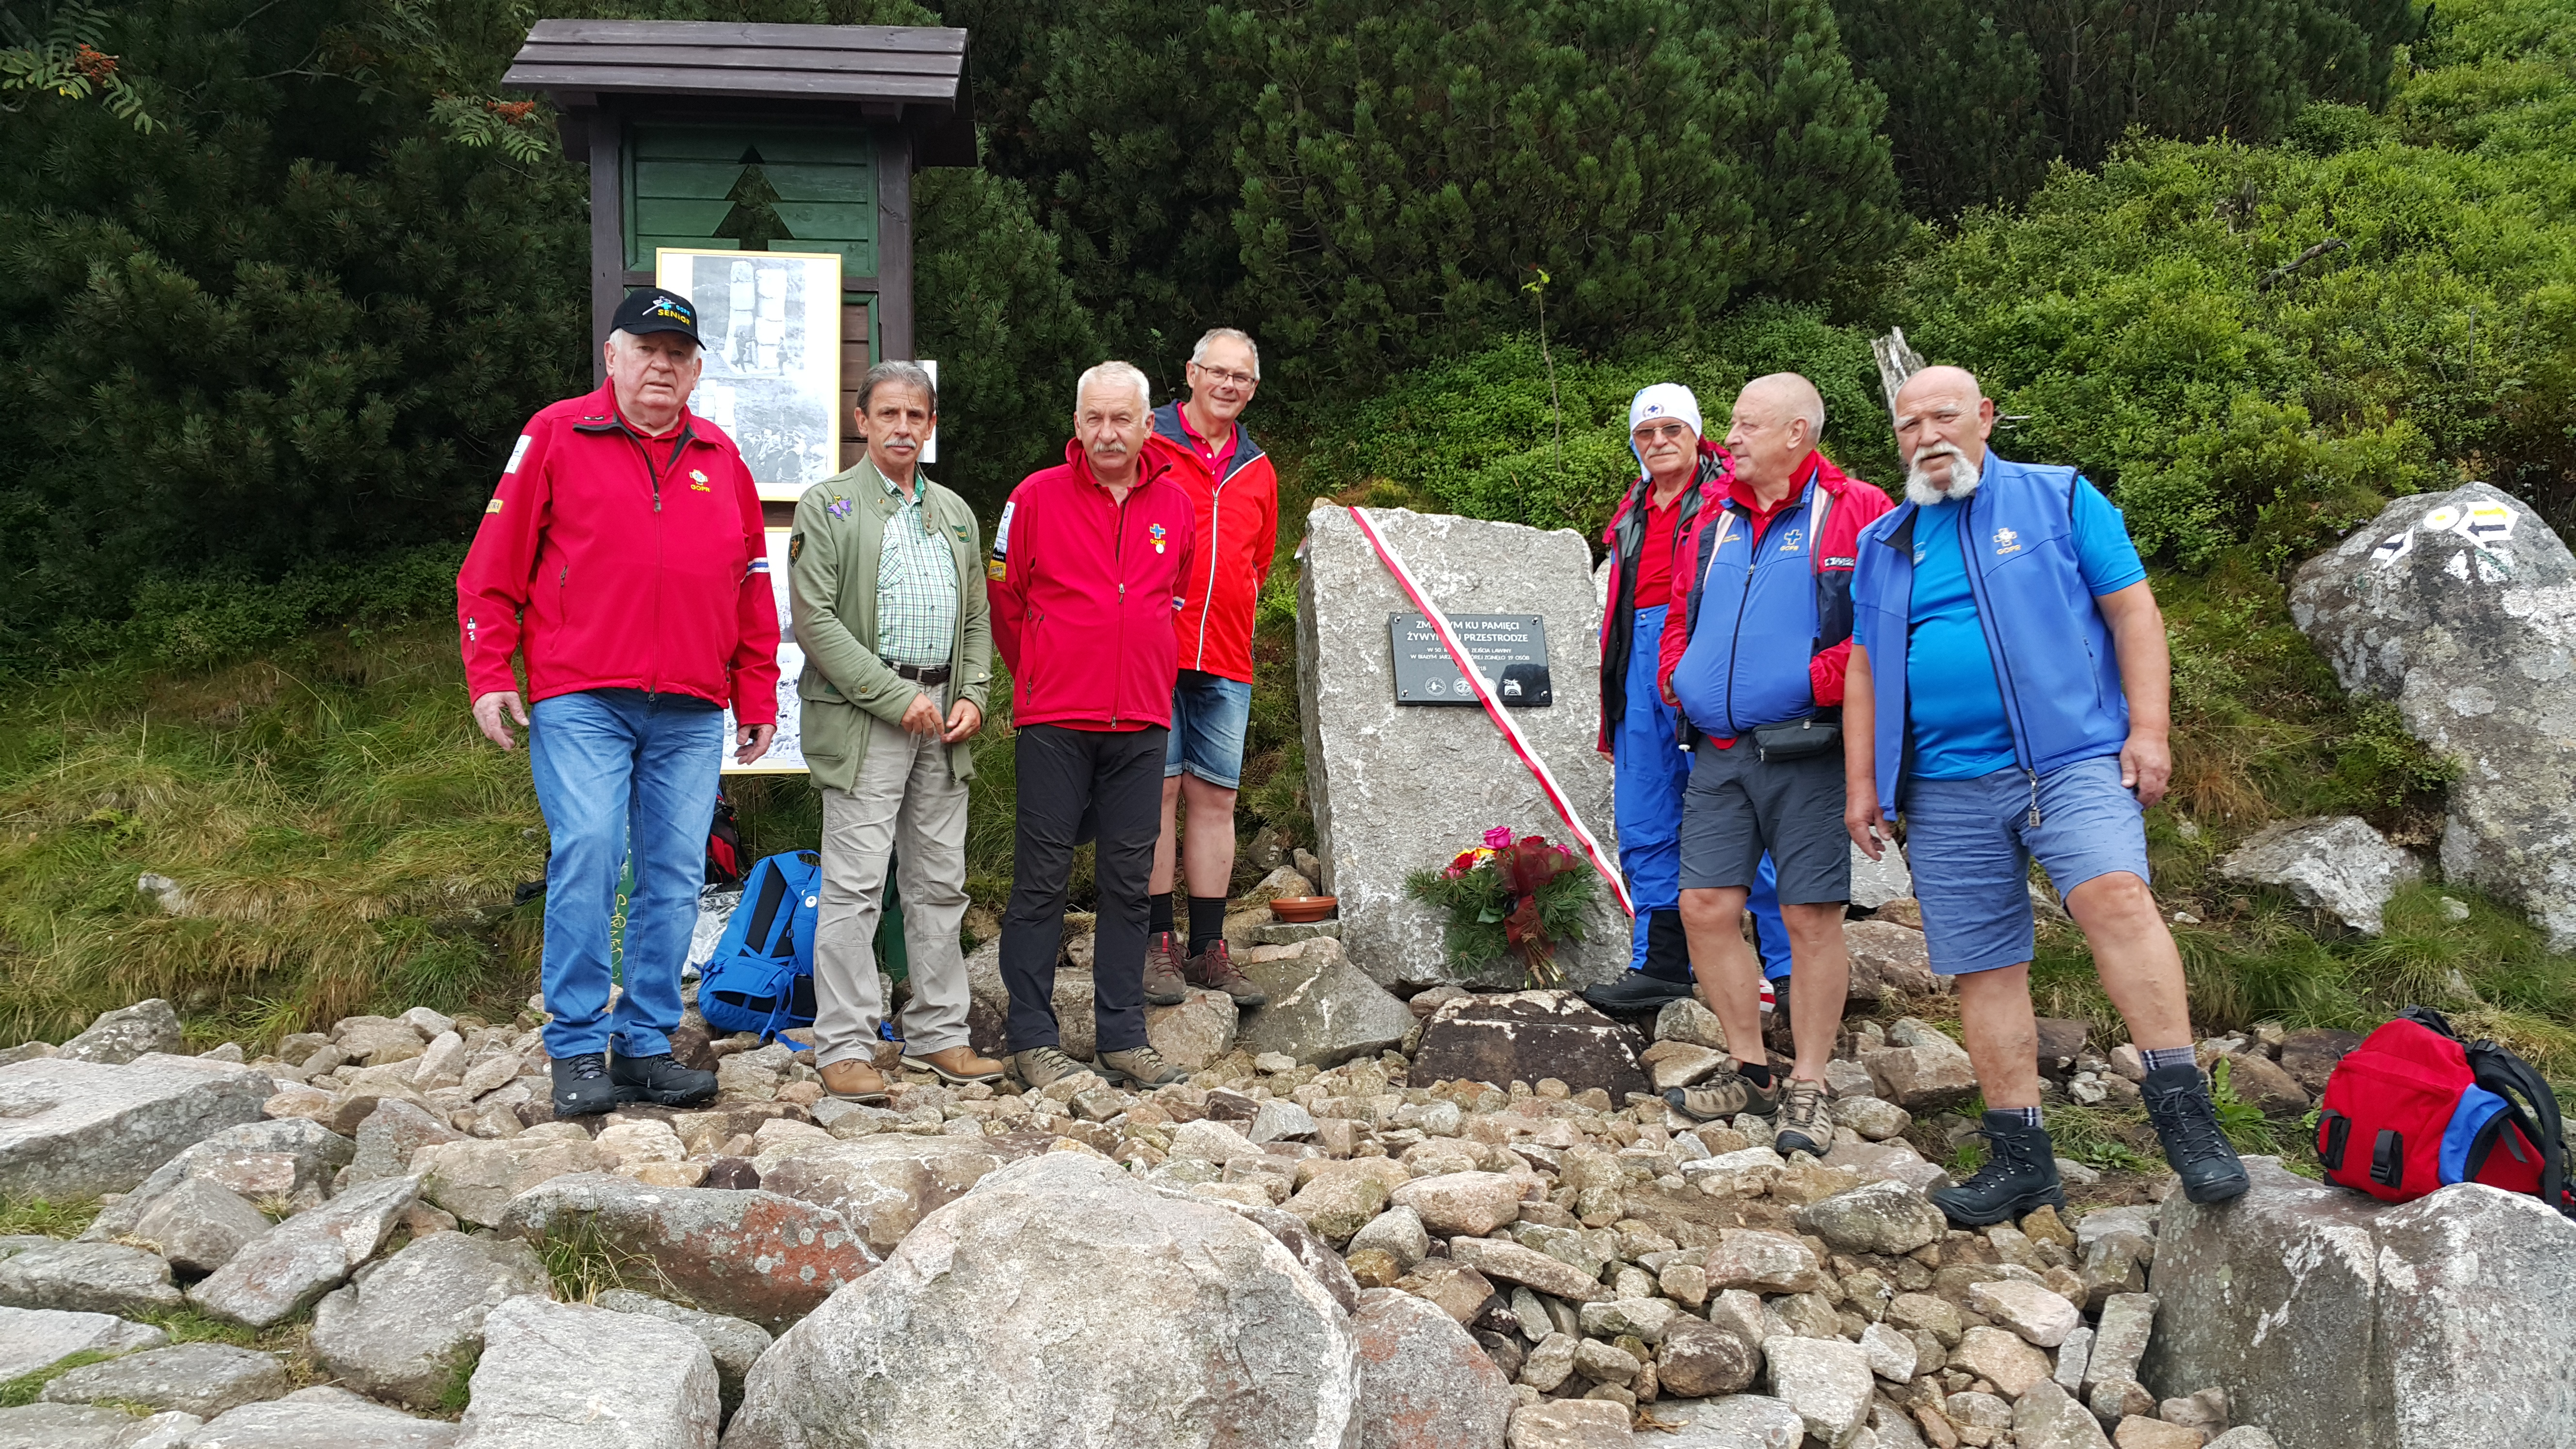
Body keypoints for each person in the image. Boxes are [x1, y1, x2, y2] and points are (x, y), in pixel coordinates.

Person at [1844, 364, 2247, 1224]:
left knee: (2116, 899)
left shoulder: (2061, 499)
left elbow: (2134, 612)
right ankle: (2021, 1158)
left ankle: (2190, 1125)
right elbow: (1866, 671)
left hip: (2071, 759)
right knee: (1983, 966)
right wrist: (1862, 783)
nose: (1929, 437)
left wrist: (2151, 732)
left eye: (1945, 417)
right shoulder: (1885, 544)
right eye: (1910, 426)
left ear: (1985, 418)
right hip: (1945, 785)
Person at [457, 288, 775, 1117]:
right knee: (591, 853)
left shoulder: (721, 457)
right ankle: (573, 1046)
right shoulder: (557, 434)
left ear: (697, 369)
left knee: (673, 877)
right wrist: (491, 671)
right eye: (646, 350)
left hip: (693, 705)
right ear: (612, 357)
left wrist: (756, 690)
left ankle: (641, 1046)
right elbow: (491, 568)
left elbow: (750, 583)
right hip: (582, 695)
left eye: (678, 355)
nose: (662, 366)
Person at [1655, 374, 1892, 1157]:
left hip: (1808, 750)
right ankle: (1751, 1067)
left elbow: (1880, 631)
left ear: (1797, 433)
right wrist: (1677, 680)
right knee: (1706, 909)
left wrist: (1809, 683)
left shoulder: (1858, 508)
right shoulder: (1715, 515)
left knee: (1809, 916)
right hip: (1719, 752)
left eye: (1747, 424)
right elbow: (1680, 610)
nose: (1732, 436)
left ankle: (1812, 1084)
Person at [788, 361, 1001, 1103]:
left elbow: (976, 618)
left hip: (946, 718)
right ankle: (844, 1044)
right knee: (853, 886)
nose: (903, 427)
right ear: (863, 420)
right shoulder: (828, 507)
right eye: (889, 415)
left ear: (931, 425)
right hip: (865, 717)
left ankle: (939, 1034)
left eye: (917, 416)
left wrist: (973, 692)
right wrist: (891, 696)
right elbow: (814, 622)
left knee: (940, 883)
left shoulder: (954, 512)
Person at [990, 362, 1200, 1092]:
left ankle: (1123, 1037)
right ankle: (1032, 1038)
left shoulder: (1176, 506)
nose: (1108, 434)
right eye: (1094, 419)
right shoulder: (1033, 497)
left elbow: (1172, 595)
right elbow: (1005, 601)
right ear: (1075, 424)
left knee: (1130, 881)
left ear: (1150, 425)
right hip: (1056, 720)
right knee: (1042, 881)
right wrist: (1044, 675)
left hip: (1142, 719)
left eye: (1122, 419)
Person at [1585, 383, 1794, 1018]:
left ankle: (1787, 968)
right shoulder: (1632, 511)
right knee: (1645, 821)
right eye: (1646, 434)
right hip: (1637, 666)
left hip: (1711, 664)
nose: (1658, 443)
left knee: (1741, 816)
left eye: (1672, 430)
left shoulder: (1735, 497)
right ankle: (1661, 966)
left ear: (1697, 434)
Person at [1142, 328, 1278, 1010]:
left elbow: (1259, 562)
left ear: (1253, 389)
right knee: (1155, 795)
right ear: (1191, 373)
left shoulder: (1258, 467)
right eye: (1217, 372)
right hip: (1151, 649)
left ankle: (1209, 948)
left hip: (1225, 652)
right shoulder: (1148, 441)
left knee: (1216, 799)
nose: (1229, 386)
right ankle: (1156, 943)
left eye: (1242, 379)